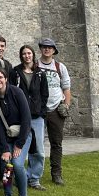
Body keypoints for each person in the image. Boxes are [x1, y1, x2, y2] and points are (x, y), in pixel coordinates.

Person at [0, 68, 31, 196]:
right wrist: (5, 149)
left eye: (0, 77)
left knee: (18, 165)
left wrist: (19, 145)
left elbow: (26, 119)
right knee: (6, 165)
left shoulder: (16, 93)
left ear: (6, 79)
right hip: (7, 138)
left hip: (22, 136)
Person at [10, 45, 50, 191]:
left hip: (36, 116)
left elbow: (44, 94)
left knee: (38, 149)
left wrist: (41, 111)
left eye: (29, 53)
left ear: (33, 55)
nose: (27, 56)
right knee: (19, 148)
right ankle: (19, 176)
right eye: (24, 54)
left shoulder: (40, 74)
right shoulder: (15, 72)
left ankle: (34, 178)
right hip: (20, 116)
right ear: (21, 56)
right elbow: (11, 92)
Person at [38, 38, 72, 185]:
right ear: (41, 49)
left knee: (56, 143)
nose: (47, 49)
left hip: (56, 108)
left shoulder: (60, 67)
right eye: (44, 47)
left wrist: (66, 105)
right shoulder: (35, 65)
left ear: (54, 50)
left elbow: (66, 88)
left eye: (50, 47)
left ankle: (56, 174)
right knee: (36, 143)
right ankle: (34, 174)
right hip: (38, 109)